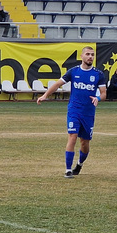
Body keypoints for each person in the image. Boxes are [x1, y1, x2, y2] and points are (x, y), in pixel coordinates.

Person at [37, 46, 107, 178]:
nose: (90, 56)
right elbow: (58, 84)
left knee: (84, 143)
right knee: (72, 136)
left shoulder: (98, 74)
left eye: (92, 54)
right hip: (74, 110)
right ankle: (68, 170)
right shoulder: (73, 72)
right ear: (82, 56)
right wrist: (45, 95)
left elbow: (103, 94)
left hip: (88, 113)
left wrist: (97, 98)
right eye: (87, 54)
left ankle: (79, 164)